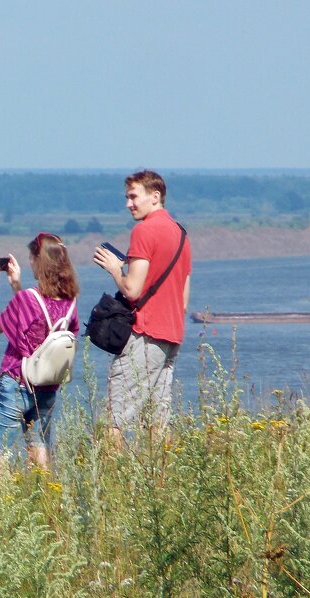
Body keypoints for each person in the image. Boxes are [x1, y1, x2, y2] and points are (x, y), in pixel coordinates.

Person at [92, 169, 192, 442]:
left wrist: (115, 269)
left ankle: (112, 482)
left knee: (114, 419)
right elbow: (183, 298)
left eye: (134, 197)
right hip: (172, 335)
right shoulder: (181, 235)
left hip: (146, 335)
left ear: (155, 196)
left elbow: (132, 290)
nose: (129, 204)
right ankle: (160, 480)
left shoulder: (144, 231)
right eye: (127, 197)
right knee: (157, 421)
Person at [0, 232, 79, 468]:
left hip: (17, 381)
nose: (29, 263)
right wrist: (16, 286)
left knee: (0, 450)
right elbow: (41, 324)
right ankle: (46, 495)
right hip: (46, 384)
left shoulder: (28, 298)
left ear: (40, 261)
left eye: (32, 258)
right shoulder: (70, 302)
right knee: (39, 446)